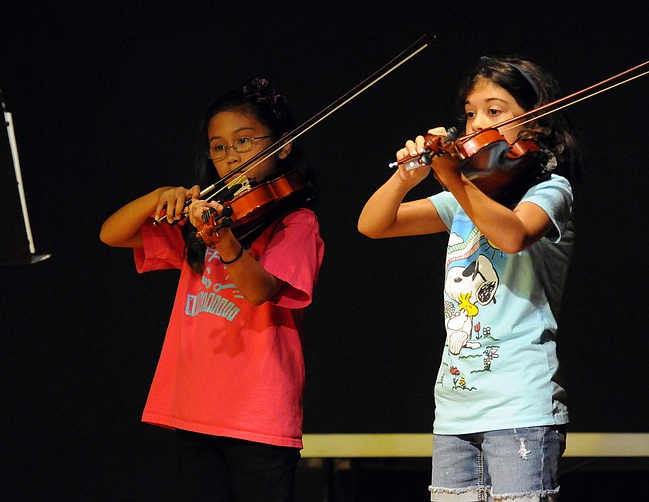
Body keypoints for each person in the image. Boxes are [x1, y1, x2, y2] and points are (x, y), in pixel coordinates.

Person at [358, 55, 582, 501]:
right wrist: (408, 177)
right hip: (457, 409)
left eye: (494, 111)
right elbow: (373, 224)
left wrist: (453, 179)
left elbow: (512, 235)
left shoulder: (551, 191)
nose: (476, 123)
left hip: (521, 406)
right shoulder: (464, 198)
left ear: (534, 122)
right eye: (470, 112)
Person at [100, 78, 324, 501]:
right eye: (218, 146)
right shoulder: (200, 219)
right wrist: (158, 197)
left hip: (258, 413)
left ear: (283, 146)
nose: (229, 155)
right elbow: (112, 234)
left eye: (243, 141)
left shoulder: (295, 223)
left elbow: (260, 291)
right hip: (191, 408)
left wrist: (223, 240)